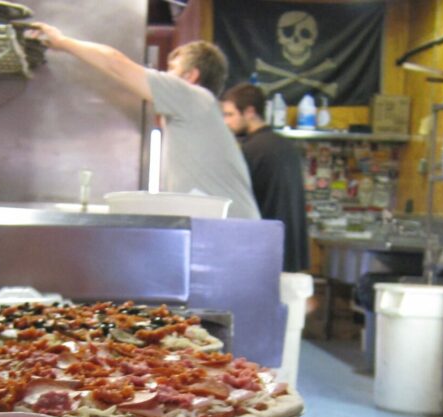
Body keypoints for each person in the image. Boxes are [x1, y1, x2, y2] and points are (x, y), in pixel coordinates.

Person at [28, 23, 260, 220]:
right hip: (230, 233)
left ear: (191, 76)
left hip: (234, 236)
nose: (164, 75)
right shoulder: (197, 113)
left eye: (171, 69)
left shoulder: (193, 96)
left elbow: (115, 63)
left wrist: (62, 42)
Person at [220, 83, 310, 271]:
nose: (225, 122)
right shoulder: (286, 146)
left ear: (250, 112)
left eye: (230, 114)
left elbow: (238, 205)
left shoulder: (250, 150)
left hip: (263, 251)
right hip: (290, 251)